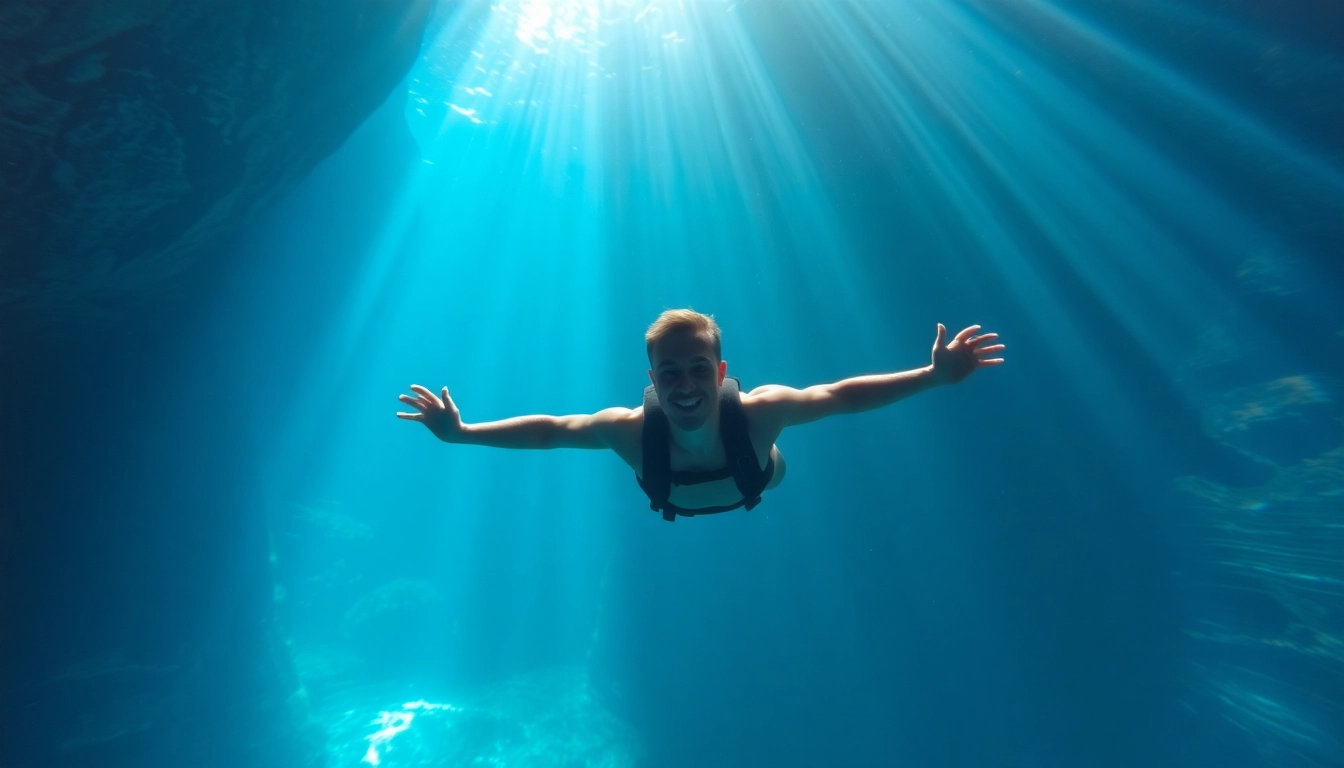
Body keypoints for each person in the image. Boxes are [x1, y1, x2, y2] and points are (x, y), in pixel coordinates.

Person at [397, 309, 1004, 521]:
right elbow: (554, 430)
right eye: (670, 373)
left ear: (719, 374)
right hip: (683, 491)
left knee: (777, 455)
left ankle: (768, 467)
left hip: (760, 475)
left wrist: (931, 376)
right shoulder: (629, 430)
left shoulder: (761, 413)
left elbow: (840, 395)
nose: (684, 384)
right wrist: (464, 434)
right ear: (653, 382)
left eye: (696, 370)